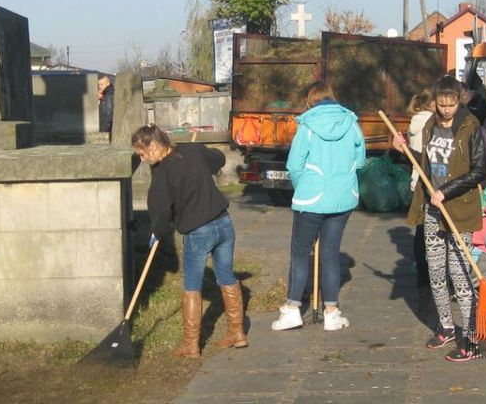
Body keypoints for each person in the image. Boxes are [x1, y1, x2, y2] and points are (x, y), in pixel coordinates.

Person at [132, 124, 247, 357]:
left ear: (153, 146)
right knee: (227, 277)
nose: (142, 160)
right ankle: (237, 333)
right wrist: (200, 156)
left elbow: (161, 211)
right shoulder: (192, 150)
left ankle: (191, 346)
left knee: (192, 286)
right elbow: (218, 159)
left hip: (198, 232)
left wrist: (157, 232)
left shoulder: (163, 173)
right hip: (224, 224)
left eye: (142, 154)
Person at [394, 75, 486, 362]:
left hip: (459, 210)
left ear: (459, 101)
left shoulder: (471, 127)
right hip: (432, 210)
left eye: (451, 105)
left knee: (460, 274)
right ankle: (446, 326)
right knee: (435, 273)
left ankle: (470, 339)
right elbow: (425, 163)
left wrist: (446, 191)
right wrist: (405, 150)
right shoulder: (430, 125)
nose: (446, 110)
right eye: (442, 105)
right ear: (435, 102)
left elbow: (479, 171)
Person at [271, 81, 365, 333]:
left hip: (310, 200)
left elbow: (294, 165)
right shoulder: (352, 124)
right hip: (343, 198)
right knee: (330, 254)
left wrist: (302, 187)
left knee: (300, 252)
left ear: (309, 101)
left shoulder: (307, 126)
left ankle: (292, 309)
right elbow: (360, 161)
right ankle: (332, 312)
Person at [406, 88, 436, 284]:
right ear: (432, 104)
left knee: (421, 227)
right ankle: (427, 272)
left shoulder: (415, 121)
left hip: (416, 178)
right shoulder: (431, 122)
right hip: (428, 178)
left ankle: (421, 270)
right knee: (429, 228)